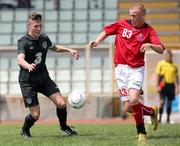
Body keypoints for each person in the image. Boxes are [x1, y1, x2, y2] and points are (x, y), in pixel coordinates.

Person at [89, 2, 165, 143]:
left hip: (136, 69)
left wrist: (151, 45)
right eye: (130, 15)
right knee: (128, 107)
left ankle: (141, 132)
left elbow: (161, 49)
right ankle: (152, 111)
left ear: (143, 15)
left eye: (135, 16)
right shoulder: (121, 24)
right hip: (120, 69)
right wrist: (98, 41)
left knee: (134, 99)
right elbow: (107, 31)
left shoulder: (149, 31)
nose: (132, 18)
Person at [17, 12, 79, 138]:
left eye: (40, 26)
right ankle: (25, 129)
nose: (39, 28)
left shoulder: (44, 38)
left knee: (61, 103)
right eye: (35, 26)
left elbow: (55, 48)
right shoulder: (23, 41)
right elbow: (20, 58)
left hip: (44, 79)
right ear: (29, 26)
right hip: (28, 82)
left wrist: (69, 49)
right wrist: (27, 65)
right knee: (35, 115)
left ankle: (64, 126)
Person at [156, 50, 179, 123]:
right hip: (163, 85)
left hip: (171, 85)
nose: (168, 57)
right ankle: (159, 119)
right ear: (165, 56)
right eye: (167, 56)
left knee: (169, 103)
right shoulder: (160, 64)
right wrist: (157, 85)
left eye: (169, 56)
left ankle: (168, 119)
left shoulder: (174, 65)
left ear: (171, 57)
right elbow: (158, 75)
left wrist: (177, 87)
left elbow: (176, 77)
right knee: (162, 102)